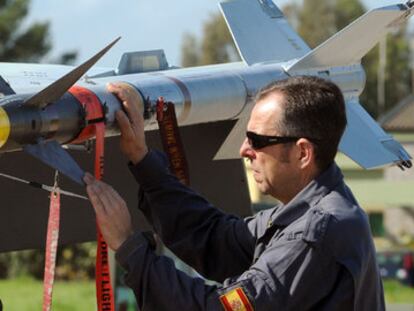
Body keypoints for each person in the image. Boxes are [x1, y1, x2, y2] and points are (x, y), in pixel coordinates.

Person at [85, 77, 385, 310]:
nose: (244, 150)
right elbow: (214, 237)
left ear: (303, 153)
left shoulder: (315, 233)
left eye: (257, 140)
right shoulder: (312, 214)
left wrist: (128, 247)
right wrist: (143, 160)